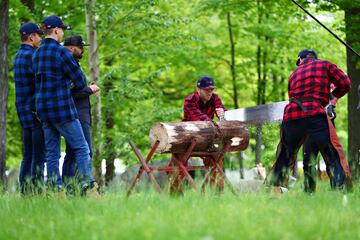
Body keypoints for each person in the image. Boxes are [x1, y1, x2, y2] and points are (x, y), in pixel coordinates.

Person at [267, 49, 352, 192]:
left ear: (300, 59)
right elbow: (346, 83)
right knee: (330, 154)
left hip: (292, 116)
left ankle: (274, 192)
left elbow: (291, 98)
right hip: (314, 114)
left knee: (285, 156)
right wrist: (332, 97)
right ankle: (339, 193)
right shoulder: (325, 65)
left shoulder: (293, 75)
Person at [32, 16, 94, 196]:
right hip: (62, 109)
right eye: (62, 30)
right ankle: (88, 185)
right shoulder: (62, 53)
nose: (63, 34)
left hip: (43, 109)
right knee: (82, 148)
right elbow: (81, 81)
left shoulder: (37, 53)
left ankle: (55, 189)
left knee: (52, 154)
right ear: (57, 31)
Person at [62, 35, 100, 193]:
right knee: (85, 151)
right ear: (71, 48)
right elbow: (68, 93)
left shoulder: (72, 63)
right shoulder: (67, 65)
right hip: (77, 115)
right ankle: (81, 187)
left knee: (72, 153)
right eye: (80, 47)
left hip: (80, 114)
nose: (83, 50)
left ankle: (71, 189)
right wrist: (89, 90)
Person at [13, 22, 45, 194]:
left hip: (23, 112)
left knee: (28, 155)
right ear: (31, 37)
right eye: (38, 36)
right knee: (39, 155)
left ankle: (25, 191)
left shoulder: (18, 56)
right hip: (34, 112)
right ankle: (38, 191)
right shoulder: (33, 55)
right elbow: (39, 82)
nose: (39, 39)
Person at [179, 76, 226, 192]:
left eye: (211, 90)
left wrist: (223, 115)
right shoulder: (189, 101)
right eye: (206, 90)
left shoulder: (215, 98)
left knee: (217, 157)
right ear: (198, 89)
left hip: (207, 136)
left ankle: (216, 194)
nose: (209, 93)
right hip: (188, 137)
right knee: (177, 161)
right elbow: (199, 118)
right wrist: (213, 122)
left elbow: (225, 118)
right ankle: (176, 195)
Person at [302, 84, 337, 192]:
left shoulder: (325, 74)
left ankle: (337, 190)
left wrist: (331, 104)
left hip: (325, 122)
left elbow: (337, 87)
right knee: (308, 159)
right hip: (308, 122)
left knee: (330, 159)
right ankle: (309, 192)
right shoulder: (303, 78)